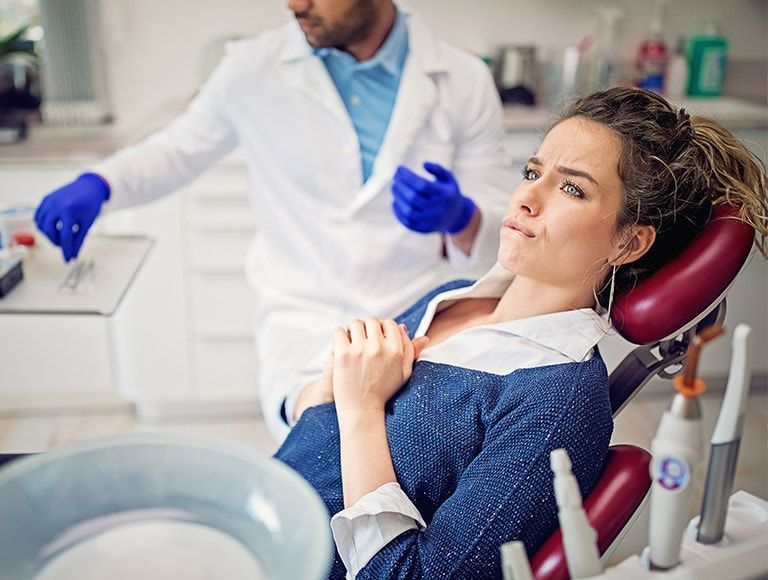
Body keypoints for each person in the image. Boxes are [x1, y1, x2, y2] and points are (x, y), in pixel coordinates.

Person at [273, 86, 768, 579]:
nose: (526, 198)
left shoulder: (557, 399)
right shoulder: (452, 296)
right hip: (257, 521)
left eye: (571, 188)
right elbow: (317, 431)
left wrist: (362, 410)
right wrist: (330, 385)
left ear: (628, 241)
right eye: (533, 172)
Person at [32, 0, 513, 440]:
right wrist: (101, 183)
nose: (295, 5)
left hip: (420, 313)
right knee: (322, 436)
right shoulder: (251, 68)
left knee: (419, 456)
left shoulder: (462, 78)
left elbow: (500, 239)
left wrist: (461, 216)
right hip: (306, 316)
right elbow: (177, 150)